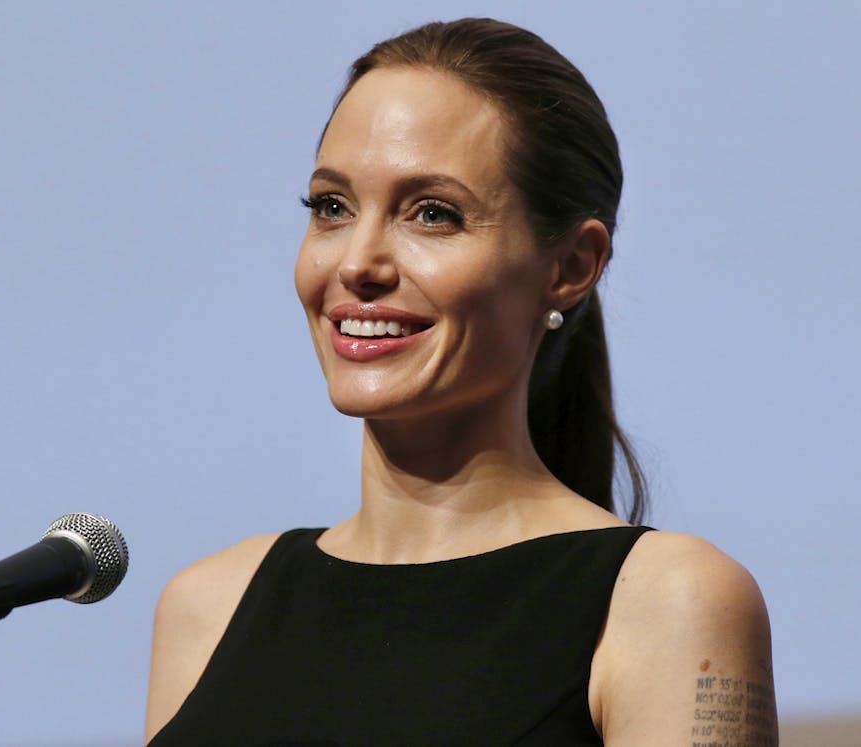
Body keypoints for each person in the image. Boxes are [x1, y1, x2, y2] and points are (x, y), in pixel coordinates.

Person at [145, 18, 777, 746]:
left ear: (572, 266)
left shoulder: (671, 601)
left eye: (433, 214)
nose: (357, 263)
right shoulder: (206, 606)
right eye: (332, 207)